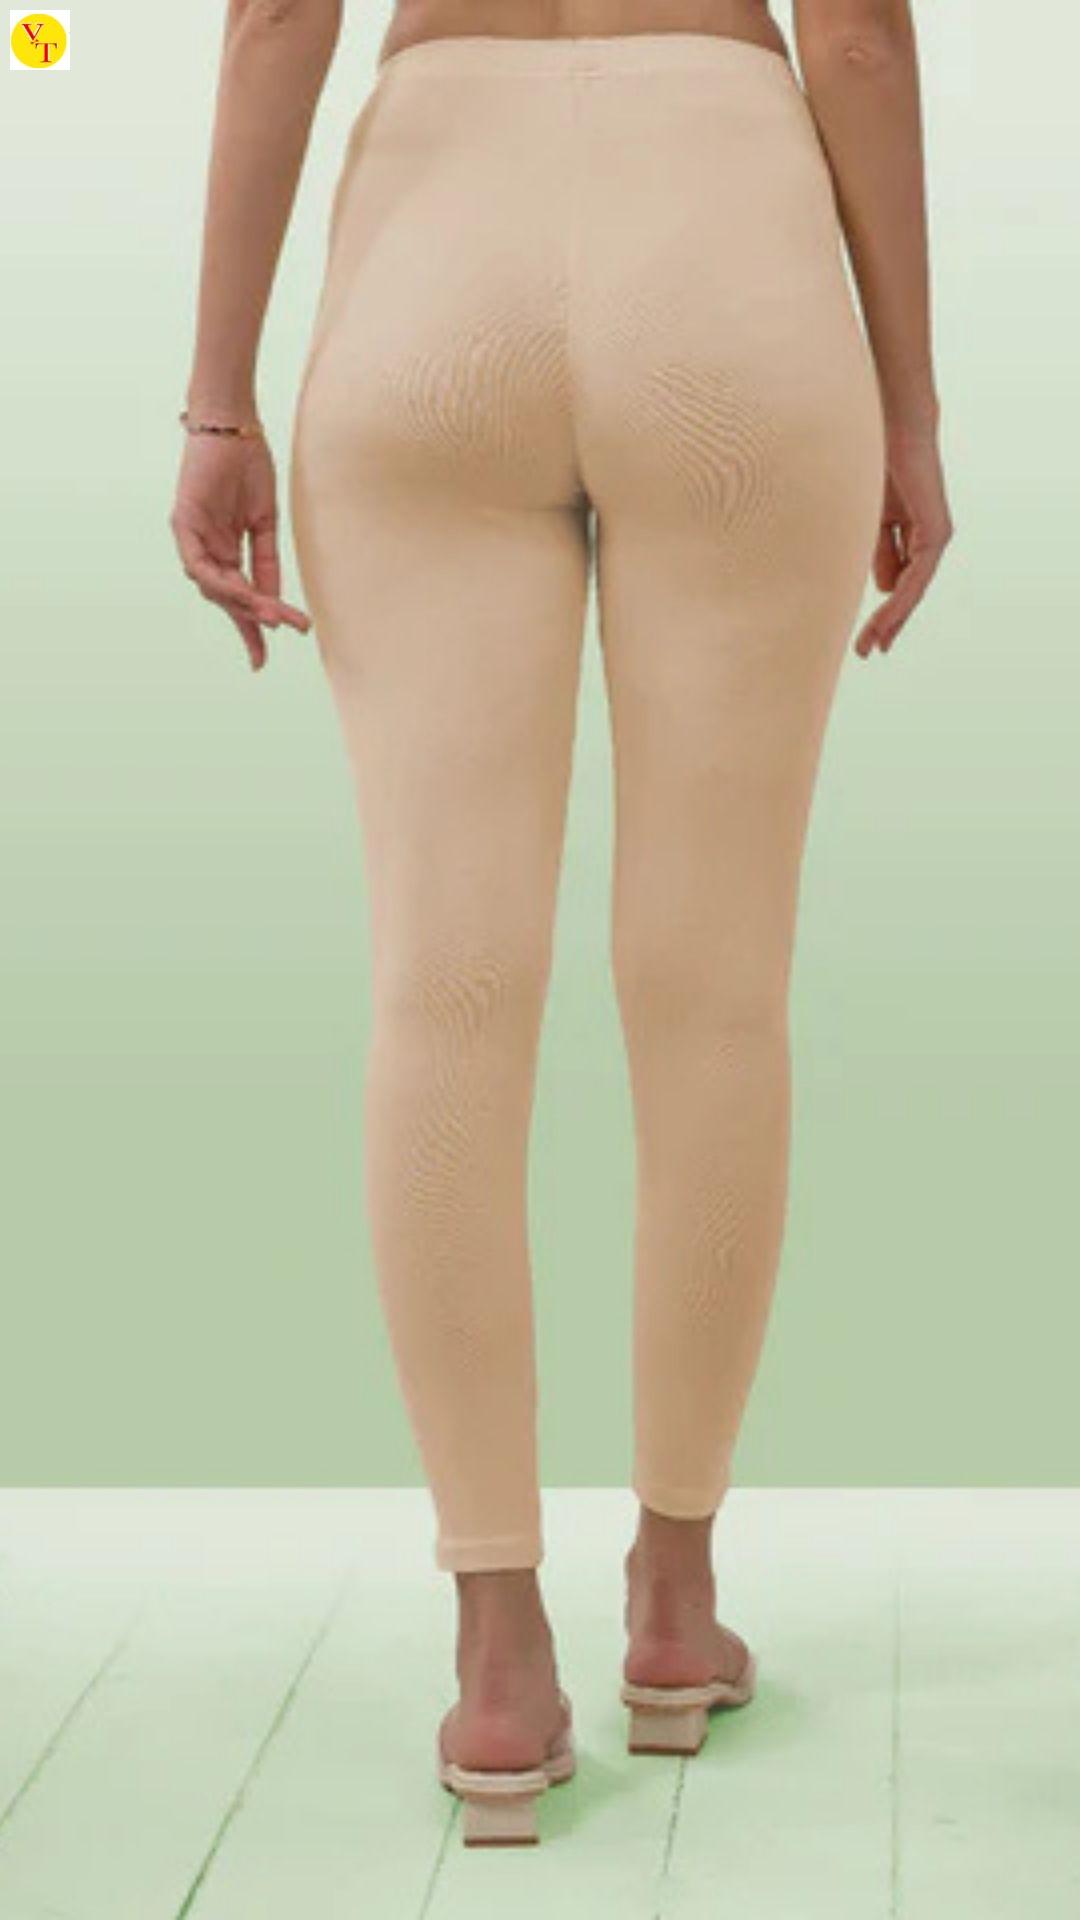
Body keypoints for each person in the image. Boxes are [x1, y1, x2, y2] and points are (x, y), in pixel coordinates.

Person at [170, 0, 952, 1846]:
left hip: (431, 247)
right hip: (728, 239)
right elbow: (853, 37)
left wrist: (217, 401)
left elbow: (279, 16)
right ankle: (673, 1603)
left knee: (443, 992)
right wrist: (911, 411)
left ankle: (498, 1654)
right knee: (714, 989)